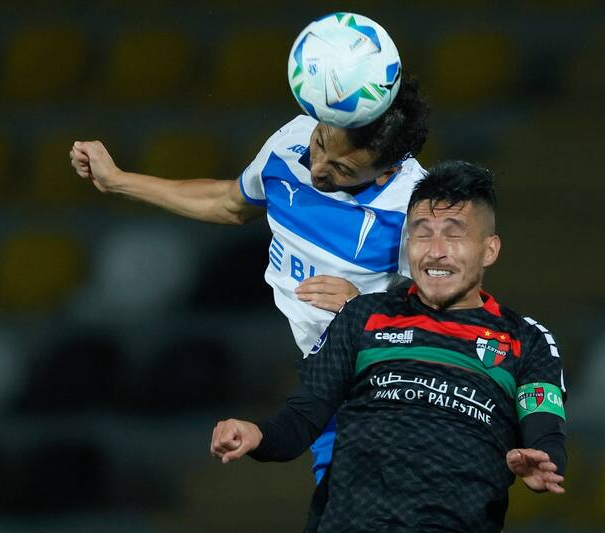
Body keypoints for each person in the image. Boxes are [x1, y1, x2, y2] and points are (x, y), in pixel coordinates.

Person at [70, 73, 429, 482]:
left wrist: (367, 310)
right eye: (320, 143)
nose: (316, 169)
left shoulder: (416, 206)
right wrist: (118, 181)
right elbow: (229, 203)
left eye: (342, 169)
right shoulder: (291, 141)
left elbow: (459, 316)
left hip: (393, 387)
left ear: (387, 170)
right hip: (329, 383)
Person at [210, 160, 568, 532]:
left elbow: (545, 430)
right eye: (422, 234)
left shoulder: (527, 339)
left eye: (453, 235)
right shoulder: (362, 316)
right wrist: (259, 435)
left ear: (489, 250)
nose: (436, 251)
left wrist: (545, 460)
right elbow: (303, 416)